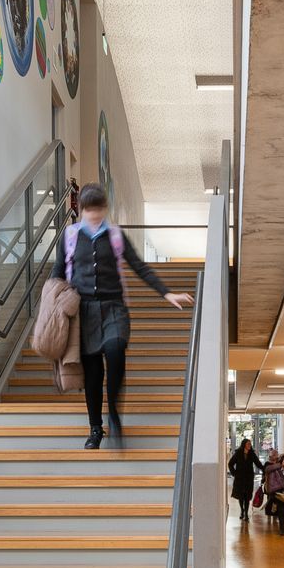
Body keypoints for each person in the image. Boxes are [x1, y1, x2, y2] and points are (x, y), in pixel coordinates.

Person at [52, 184, 191, 449]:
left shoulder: (115, 235)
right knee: (93, 373)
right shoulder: (70, 236)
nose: (94, 216)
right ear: (82, 210)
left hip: (114, 307)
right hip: (83, 312)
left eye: (99, 211)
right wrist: (50, 307)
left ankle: (113, 410)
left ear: (105, 209)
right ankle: (95, 428)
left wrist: (166, 293)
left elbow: (139, 266)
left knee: (116, 351)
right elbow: (58, 271)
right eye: (89, 211)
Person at [228, 438, 264, 522]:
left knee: (247, 496)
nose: (250, 445)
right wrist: (234, 473)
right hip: (240, 478)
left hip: (248, 478)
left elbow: (257, 463)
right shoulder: (238, 453)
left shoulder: (252, 453)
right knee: (241, 496)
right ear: (244, 445)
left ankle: (246, 514)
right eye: (248, 444)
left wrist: (264, 468)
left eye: (250, 444)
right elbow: (230, 464)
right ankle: (242, 511)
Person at [262, 449, 284, 534]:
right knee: (274, 509)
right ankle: (281, 527)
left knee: (282, 511)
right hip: (276, 493)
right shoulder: (277, 469)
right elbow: (267, 470)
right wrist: (278, 465)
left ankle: (282, 528)